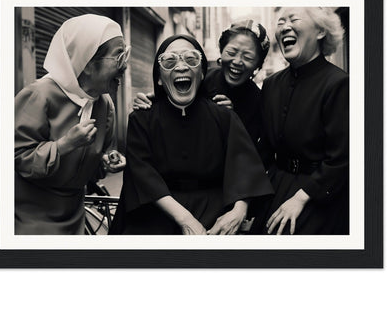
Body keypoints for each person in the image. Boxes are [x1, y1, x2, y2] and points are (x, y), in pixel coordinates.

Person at [111, 34, 273, 235]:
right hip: (157, 210)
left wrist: (240, 209)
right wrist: (185, 219)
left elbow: (245, 167)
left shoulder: (224, 116)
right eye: (170, 61)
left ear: (202, 72)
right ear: (159, 78)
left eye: (191, 59)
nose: (181, 67)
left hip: (214, 212)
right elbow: (143, 174)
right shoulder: (142, 119)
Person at [15, 14, 129, 234]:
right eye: (118, 56)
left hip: (75, 216)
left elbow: (88, 170)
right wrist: (64, 145)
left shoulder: (105, 105)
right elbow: (15, 158)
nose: (125, 65)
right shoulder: (38, 95)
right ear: (87, 63)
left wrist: (104, 163)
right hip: (28, 216)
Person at [259, 7, 349, 235]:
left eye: (293, 19)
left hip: (320, 194)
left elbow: (342, 159)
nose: (284, 27)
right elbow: (262, 150)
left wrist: (301, 198)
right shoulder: (270, 85)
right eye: (280, 22)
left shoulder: (339, 84)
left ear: (320, 31)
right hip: (277, 186)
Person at [133, 20, 270, 146]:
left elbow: (248, 151)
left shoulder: (259, 101)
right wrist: (151, 100)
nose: (237, 61)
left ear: (258, 64)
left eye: (247, 57)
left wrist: (231, 119)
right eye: (231, 52)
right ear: (221, 51)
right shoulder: (201, 79)